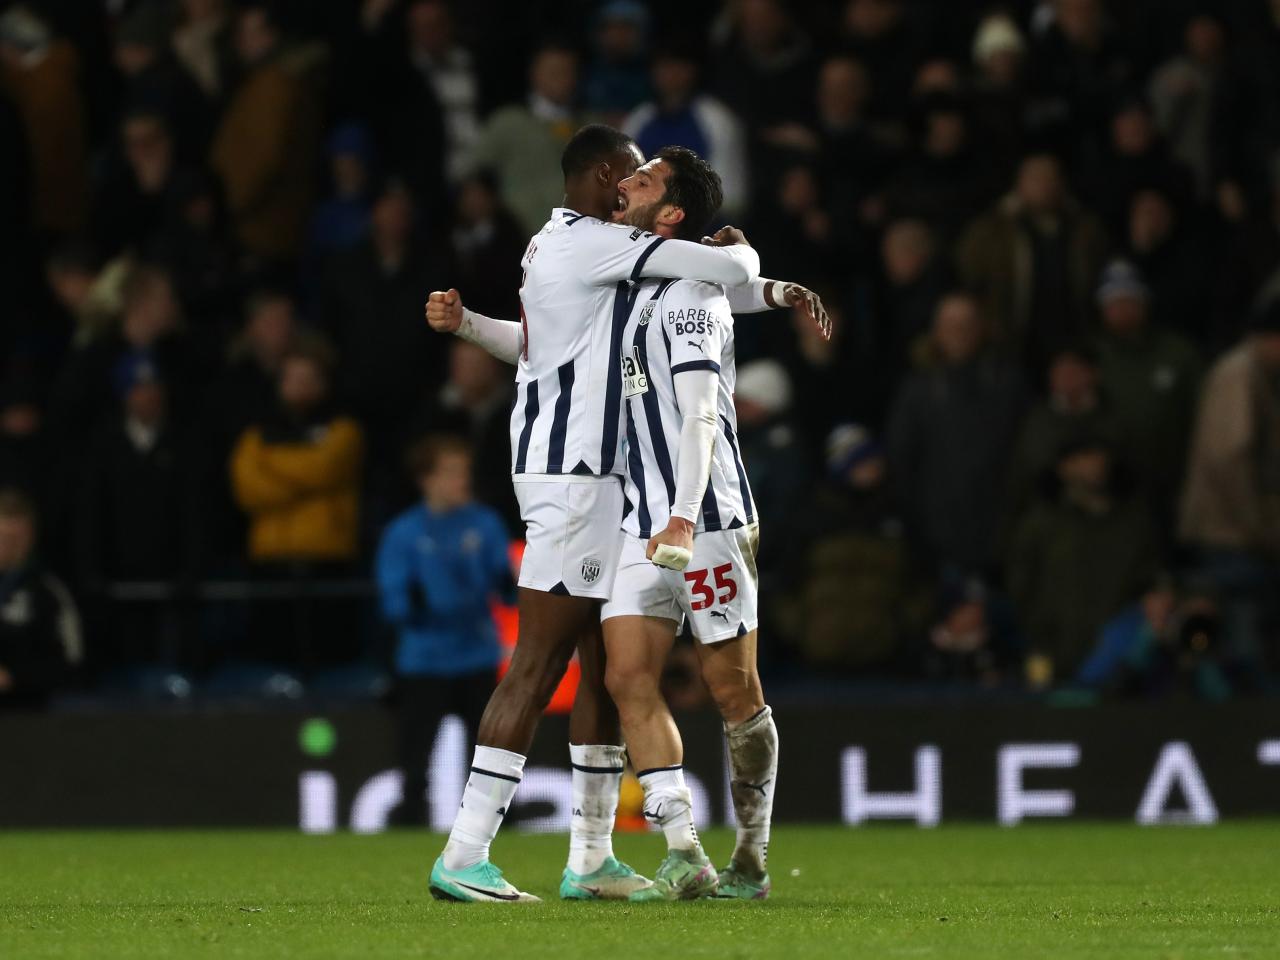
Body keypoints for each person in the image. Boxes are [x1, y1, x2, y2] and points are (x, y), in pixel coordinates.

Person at [428, 142, 828, 900]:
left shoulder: (598, 257)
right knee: (540, 660)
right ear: (609, 180)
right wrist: (747, 260)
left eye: (648, 175)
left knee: (611, 674)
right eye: (632, 170)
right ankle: (465, 852)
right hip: (577, 478)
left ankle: (592, 858)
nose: (634, 181)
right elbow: (722, 274)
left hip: (626, 492)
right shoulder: (597, 244)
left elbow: (549, 342)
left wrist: (468, 326)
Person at [376, 436, 514, 828]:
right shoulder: (404, 533)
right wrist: (416, 607)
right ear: (427, 479)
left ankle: (502, 818)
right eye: (451, 473)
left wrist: (507, 581)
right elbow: (394, 599)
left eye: (463, 473)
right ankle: (410, 818)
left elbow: (505, 589)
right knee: (415, 751)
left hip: (477, 654)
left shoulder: (485, 524)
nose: (461, 481)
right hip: (425, 658)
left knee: (490, 745)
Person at [0, 489, 83, 709]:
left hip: (29, 714)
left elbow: (71, 663)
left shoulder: (47, 591)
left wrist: (13, 677)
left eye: (15, 538)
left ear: (30, 537)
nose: (7, 547)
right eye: (2, 537)